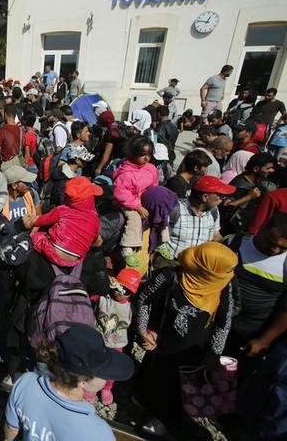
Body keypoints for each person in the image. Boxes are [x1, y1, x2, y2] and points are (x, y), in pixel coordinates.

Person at [135, 242, 237, 435]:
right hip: (163, 344)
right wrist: (142, 330)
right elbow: (144, 298)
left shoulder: (224, 285)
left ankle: (165, 420)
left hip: (195, 352)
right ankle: (145, 403)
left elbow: (224, 322)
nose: (229, 273)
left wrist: (214, 353)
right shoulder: (173, 275)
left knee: (181, 387)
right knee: (156, 376)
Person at [5, 323, 134, 441]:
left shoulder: (25, 384)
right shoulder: (100, 434)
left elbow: (11, 429)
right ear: (83, 381)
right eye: (104, 374)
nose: (107, 379)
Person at [224, 213, 287, 375]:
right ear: (263, 228)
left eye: (283, 248)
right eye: (272, 242)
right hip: (215, 327)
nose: (275, 250)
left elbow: (285, 310)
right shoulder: (234, 243)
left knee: (229, 378)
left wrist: (264, 340)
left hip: (249, 338)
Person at [91, 267, 141, 405]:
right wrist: (105, 281)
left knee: (111, 367)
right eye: (119, 287)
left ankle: (107, 388)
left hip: (117, 344)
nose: (120, 293)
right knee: (94, 363)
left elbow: (140, 322)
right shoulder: (102, 297)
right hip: (98, 339)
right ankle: (91, 388)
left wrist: (147, 331)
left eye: (126, 291)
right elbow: (90, 292)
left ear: (132, 294)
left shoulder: (132, 308)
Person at [157, 175, 233, 261]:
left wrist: (230, 242)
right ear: (205, 197)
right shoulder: (174, 209)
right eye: (220, 195)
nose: (223, 198)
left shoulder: (214, 211)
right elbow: (158, 238)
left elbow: (215, 235)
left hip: (197, 266)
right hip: (172, 264)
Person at [112, 136, 159, 267]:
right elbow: (121, 193)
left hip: (142, 200)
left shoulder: (150, 168)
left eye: (149, 155)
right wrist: (137, 207)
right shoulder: (125, 173)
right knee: (134, 218)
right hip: (128, 203)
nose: (147, 158)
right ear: (133, 154)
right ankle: (127, 246)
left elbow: (154, 184)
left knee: (161, 211)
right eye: (143, 155)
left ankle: (163, 242)